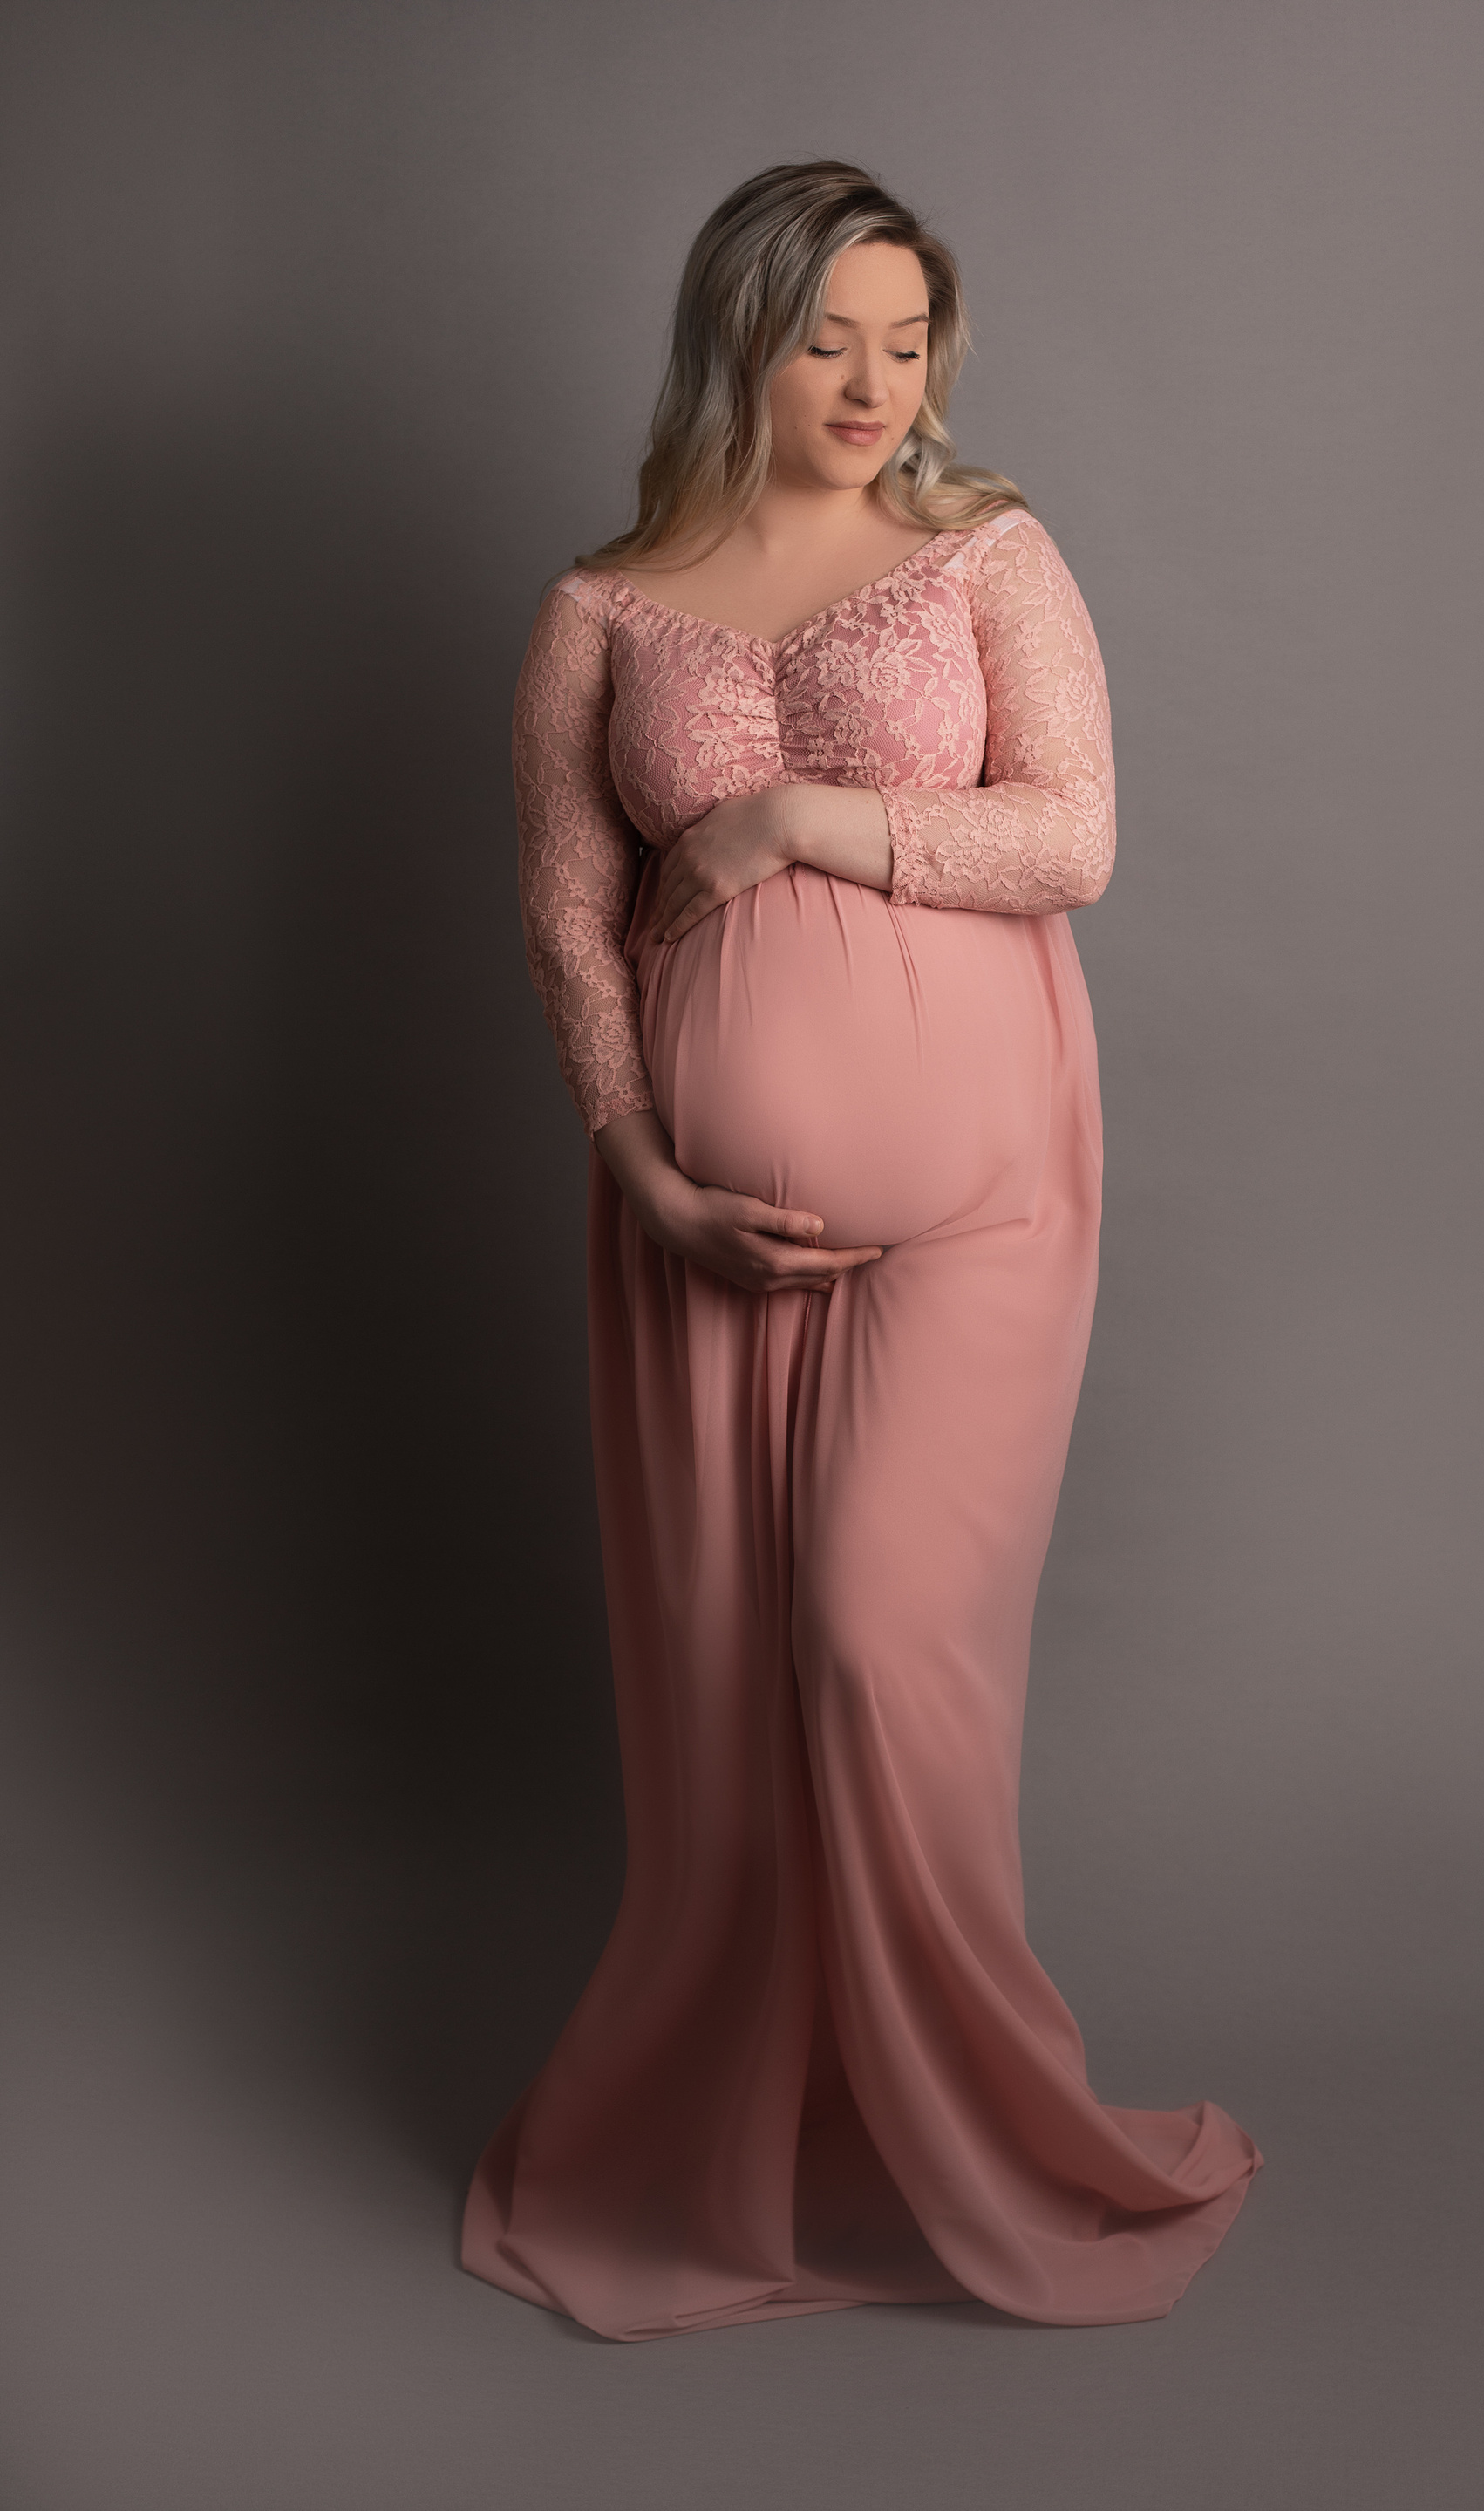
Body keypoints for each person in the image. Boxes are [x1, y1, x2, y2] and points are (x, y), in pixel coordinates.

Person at [463, 160, 1261, 2343]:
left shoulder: (988, 553)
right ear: (736, 337)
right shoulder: (600, 610)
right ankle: (750, 2135)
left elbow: (1075, 833)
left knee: (874, 1641)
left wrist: (797, 820)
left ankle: (991, 2132)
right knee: (730, 1697)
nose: (871, 383)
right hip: (702, 1230)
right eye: (830, 338)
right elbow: (565, 922)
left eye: (907, 343)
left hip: (980, 1204)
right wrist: (642, 1169)